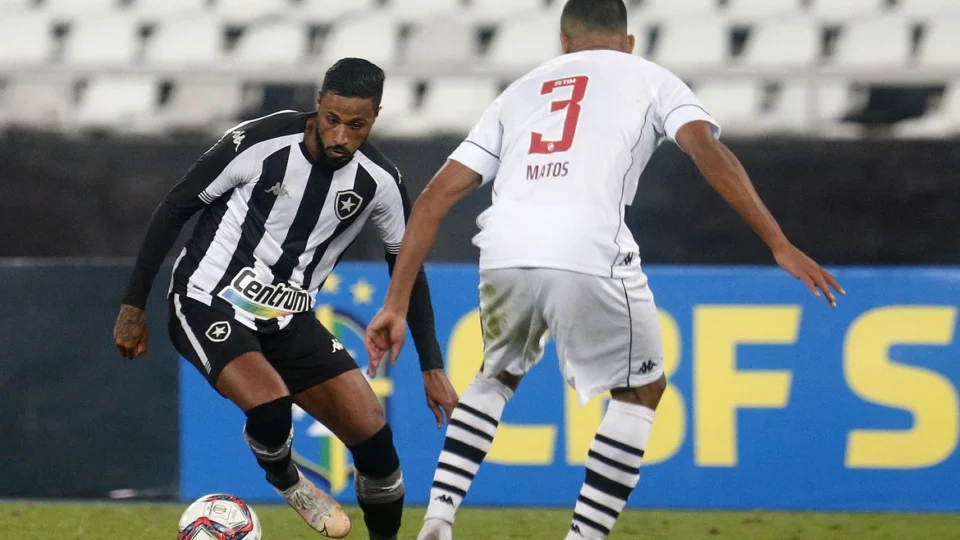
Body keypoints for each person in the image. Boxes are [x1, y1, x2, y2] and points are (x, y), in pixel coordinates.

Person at [364, 1, 845, 539]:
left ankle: (438, 518)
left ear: (564, 42)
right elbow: (706, 148)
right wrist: (777, 242)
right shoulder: (652, 78)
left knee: (495, 375)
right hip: (587, 244)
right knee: (642, 390)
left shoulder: (519, 90)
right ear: (629, 42)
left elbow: (434, 197)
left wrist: (396, 304)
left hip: (503, 245)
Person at [113, 58, 458, 540]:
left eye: (356, 126)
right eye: (332, 119)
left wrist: (432, 365)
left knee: (377, 443)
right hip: (207, 300)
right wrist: (134, 304)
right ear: (318, 104)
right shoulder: (259, 143)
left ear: (374, 118)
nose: (341, 136)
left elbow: (408, 268)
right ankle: (287, 479)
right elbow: (176, 207)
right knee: (271, 408)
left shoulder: (379, 181)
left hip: (289, 320)